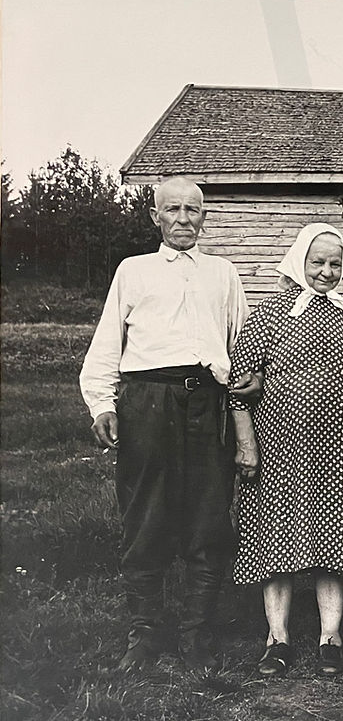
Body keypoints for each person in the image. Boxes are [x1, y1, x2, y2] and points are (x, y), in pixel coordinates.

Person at [79, 177, 248, 672]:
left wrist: (242, 394)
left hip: (207, 403)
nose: (183, 219)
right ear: (155, 217)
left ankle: (197, 634)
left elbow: (239, 343)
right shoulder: (134, 271)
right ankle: (146, 632)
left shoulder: (223, 273)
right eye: (171, 209)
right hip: (148, 403)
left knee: (209, 516)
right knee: (145, 516)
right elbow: (108, 344)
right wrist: (102, 405)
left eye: (192, 210)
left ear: (204, 216)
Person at [228, 223, 343, 678]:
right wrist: (246, 444)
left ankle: (330, 636)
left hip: (341, 446)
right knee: (274, 536)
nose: (327, 271)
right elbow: (239, 385)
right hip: (281, 445)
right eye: (318, 262)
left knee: (335, 539)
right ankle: (277, 638)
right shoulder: (271, 312)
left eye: (335, 263)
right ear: (300, 260)